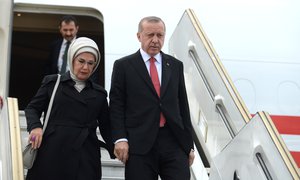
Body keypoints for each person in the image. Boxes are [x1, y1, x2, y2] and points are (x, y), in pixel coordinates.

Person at [109, 16, 195, 180]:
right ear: (139, 36)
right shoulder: (123, 66)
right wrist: (120, 138)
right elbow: (116, 106)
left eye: (160, 35)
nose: (155, 40)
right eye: (150, 35)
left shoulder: (175, 65)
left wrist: (189, 145)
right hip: (139, 143)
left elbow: (183, 106)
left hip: (173, 141)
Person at [25, 37, 114, 180]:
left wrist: (116, 146)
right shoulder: (53, 83)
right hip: (52, 151)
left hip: (85, 155)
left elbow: (106, 126)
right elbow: (32, 109)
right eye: (81, 61)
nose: (85, 67)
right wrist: (35, 127)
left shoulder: (99, 94)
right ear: (71, 59)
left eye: (90, 63)